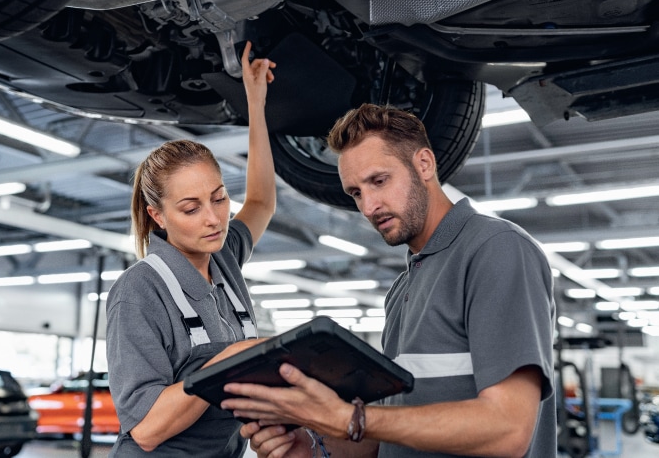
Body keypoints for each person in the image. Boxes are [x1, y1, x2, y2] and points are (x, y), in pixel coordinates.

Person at [221, 103, 556, 457]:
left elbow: (508, 429)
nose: (368, 207)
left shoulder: (495, 249)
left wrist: (351, 418)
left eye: (379, 181)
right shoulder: (402, 290)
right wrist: (314, 448)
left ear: (424, 164)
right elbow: (388, 437)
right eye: (356, 193)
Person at [105, 41, 277, 457]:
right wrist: (229, 361)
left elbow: (261, 202)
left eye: (219, 198)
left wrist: (255, 105)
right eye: (190, 208)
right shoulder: (138, 291)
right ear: (158, 216)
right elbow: (146, 429)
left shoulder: (224, 258)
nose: (214, 218)